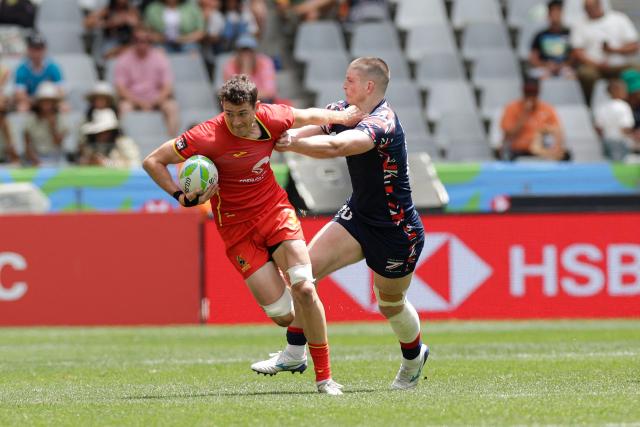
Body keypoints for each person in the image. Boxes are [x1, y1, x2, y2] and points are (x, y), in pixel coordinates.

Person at [143, 74, 363, 395]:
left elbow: (307, 115)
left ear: (256, 107)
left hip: (276, 213)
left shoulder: (273, 117)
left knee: (304, 287)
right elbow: (153, 161)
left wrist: (342, 117)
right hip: (236, 230)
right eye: (229, 114)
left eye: (242, 114)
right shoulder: (205, 136)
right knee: (283, 315)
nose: (235, 121)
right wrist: (181, 196)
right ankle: (294, 351)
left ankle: (324, 378)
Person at [251, 57, 429, 391]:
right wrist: (278, 136)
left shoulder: (383, 122)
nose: (344, 86)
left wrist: (291, 144)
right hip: (358, 216)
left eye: (349, 80)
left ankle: (414, 357)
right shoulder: (346, 109)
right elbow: (316, 128)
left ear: (369, 86)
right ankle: (293, 353)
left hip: (396, 230)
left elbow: (337, 146)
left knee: (390, 305)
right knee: (303, 275)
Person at [114, 26, 179, 137]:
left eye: (145, 40)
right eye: (137, 40)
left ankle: (171, 146)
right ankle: (125, 142)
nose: (141, 44)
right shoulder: (123, 60)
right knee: (124, 107)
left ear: (150, 42)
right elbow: (120, 88)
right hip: (133, 100)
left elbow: (168, 87)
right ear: (133, 41)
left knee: (172, 107)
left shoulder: (160, 58)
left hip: (156, 100)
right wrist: (140, 103)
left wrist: (154, 102)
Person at [571, 0, 640, 103]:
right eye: (586, 8)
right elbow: (577, 52)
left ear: (599, 4)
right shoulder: (580, 25)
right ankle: (589, 105)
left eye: (591, 7)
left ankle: (633, 105)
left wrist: (614, 50)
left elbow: (634, 46)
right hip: (594, 67)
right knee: (586, 74)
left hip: (619, 65)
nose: (588, 11)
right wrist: (597, 64)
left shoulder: (619, 19)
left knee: (636, 70)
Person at [498, 77, 570, 161]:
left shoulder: (547, 109)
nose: (531, 96)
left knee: (566, 156)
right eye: (528, 92)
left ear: (538, 92)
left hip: (541, 150)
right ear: (523, 91)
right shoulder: (511, 108)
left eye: (534, 92)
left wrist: (556, 149)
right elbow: (509, 135)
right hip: (519, 150)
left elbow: (557, 131)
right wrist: (524, 114)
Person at [13, 32, 64, 112]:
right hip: (31, 102)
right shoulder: (21, 69)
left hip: (50, 101)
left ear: (45, 50)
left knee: (64, 107)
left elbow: (61, 92)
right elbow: (19, 95)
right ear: (29, 50)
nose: (37, 53)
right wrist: (37, 101)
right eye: (34, 49)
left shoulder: (53, 68)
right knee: (22, 107)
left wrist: (48, 101)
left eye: (39, 49)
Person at [23, 82, 69, 166]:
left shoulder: (61, 120)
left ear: (54, 103)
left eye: (49, 101)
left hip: (56, 158)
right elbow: (27, 146)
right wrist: (34, 159)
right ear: (39, 103)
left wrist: (53, 126)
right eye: (43, 101)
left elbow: (58, 143)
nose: (46, 105)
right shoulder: (31, 120)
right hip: (35, 158)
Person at [222, 34, 277, 103]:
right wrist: (245, 71)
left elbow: (270, 92)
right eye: (243, 51)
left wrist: (248, 95)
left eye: (250, 51)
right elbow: (232, 93)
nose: (246, 55)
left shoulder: (265, 62)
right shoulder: (230, 65)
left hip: (260, 102)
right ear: (237, 53)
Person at [528, 0, 574, 80]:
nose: (555, 15)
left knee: (572, 77)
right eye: (553, 12)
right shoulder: (540, 35)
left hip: (564, 68)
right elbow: (533, 58)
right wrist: (546, 65)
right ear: (548, 14)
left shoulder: (570, 34)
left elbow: (574, 56)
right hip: (544, 68)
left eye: (558, 11)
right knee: (543, 77)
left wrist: (562, 65)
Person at [594, 79, 635, 161]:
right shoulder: (624, 106)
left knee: (610, 164)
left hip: (607, 140)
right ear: (617, 91)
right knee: (621, 165)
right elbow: (625, 127)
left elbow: (598, 127)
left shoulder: (602, 107)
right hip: (620, 141)